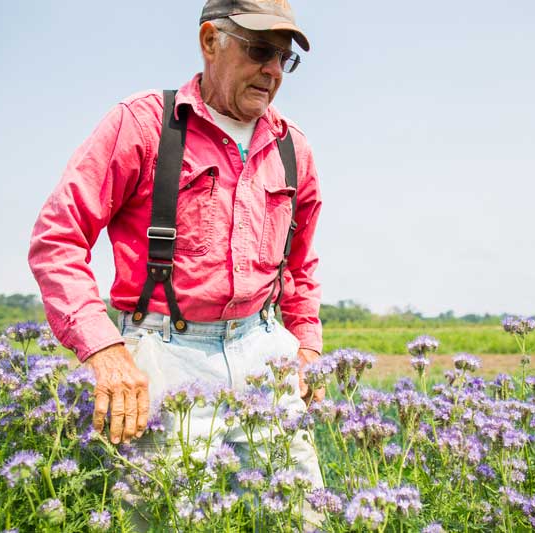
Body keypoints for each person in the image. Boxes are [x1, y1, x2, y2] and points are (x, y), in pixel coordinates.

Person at [28, 0, 324, 518]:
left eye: (284, 59)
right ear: (211, 41)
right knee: (170, 518)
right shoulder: (143, 125)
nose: (273, 71)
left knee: (304, 517)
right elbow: (58, 238)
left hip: (265, 351)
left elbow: (299, 266)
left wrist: (309, 352)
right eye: (260, 51)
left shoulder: (292, 146)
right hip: (168, 357)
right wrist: (107, 352)